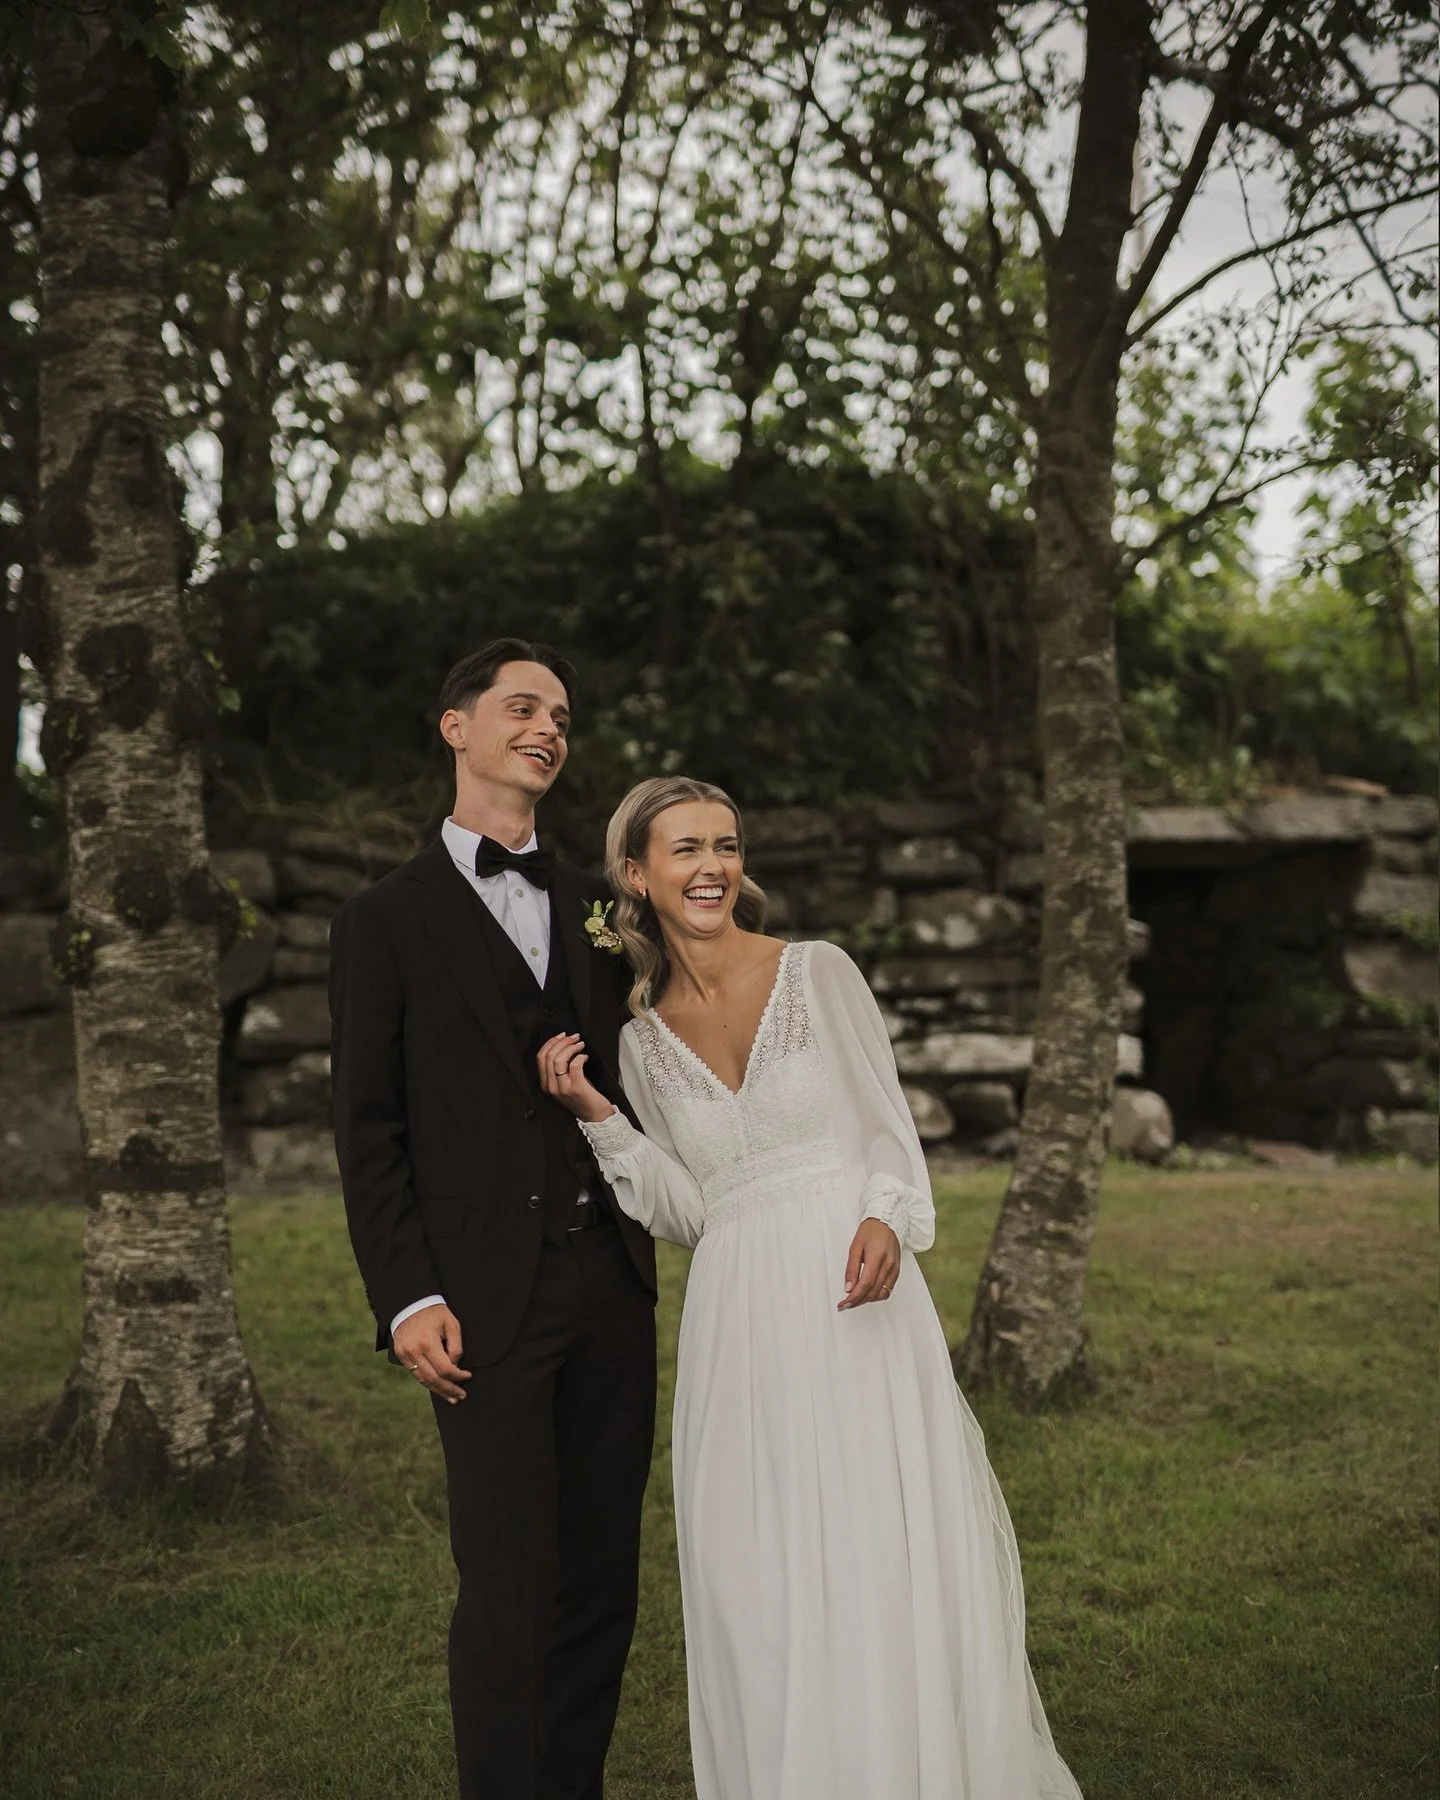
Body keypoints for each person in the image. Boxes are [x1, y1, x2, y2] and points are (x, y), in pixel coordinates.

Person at [536, 775, 1083, 1800]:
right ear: (635, 877)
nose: (711, 867)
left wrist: (885, 1214)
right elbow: (692, 1209)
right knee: (758, 1573)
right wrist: (595, 1114)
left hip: (850, 1290)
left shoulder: (818, 972)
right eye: (686, 849)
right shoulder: (640, 1037)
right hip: (737, 1315)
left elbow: (887, 1126)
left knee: (879, 1544)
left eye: (726, 845)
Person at [328, 641, 658, 1800]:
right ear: (454, 727)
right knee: (509, 1582)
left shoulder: (601, 909)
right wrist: (407, 1294)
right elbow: (367, 1130)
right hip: (479, 1301)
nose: (548, 728)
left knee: (600, 1582)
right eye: (523, 707)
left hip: (611, 1285)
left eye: (562, 714)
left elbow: (659, 1067)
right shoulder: (383, 920)